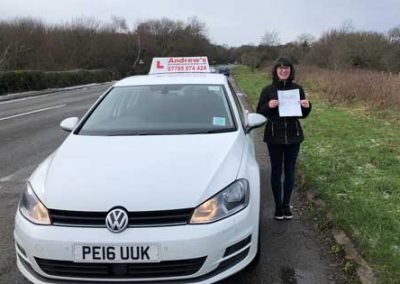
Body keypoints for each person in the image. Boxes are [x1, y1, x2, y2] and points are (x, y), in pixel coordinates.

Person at [256, 57, 312, 221]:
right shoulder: (268, 90)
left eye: (286, 68)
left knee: (290, 171)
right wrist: (269, 106)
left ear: (290, 70)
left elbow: (302, 114)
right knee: (276, 171)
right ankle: (278, 207)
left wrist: (307, 107)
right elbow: (259, 112)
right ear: (275, 71)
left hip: (294, 137)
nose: (283, 71)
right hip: (274, 136)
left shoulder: (297, 88)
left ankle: (287, 206)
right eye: (280, 68)